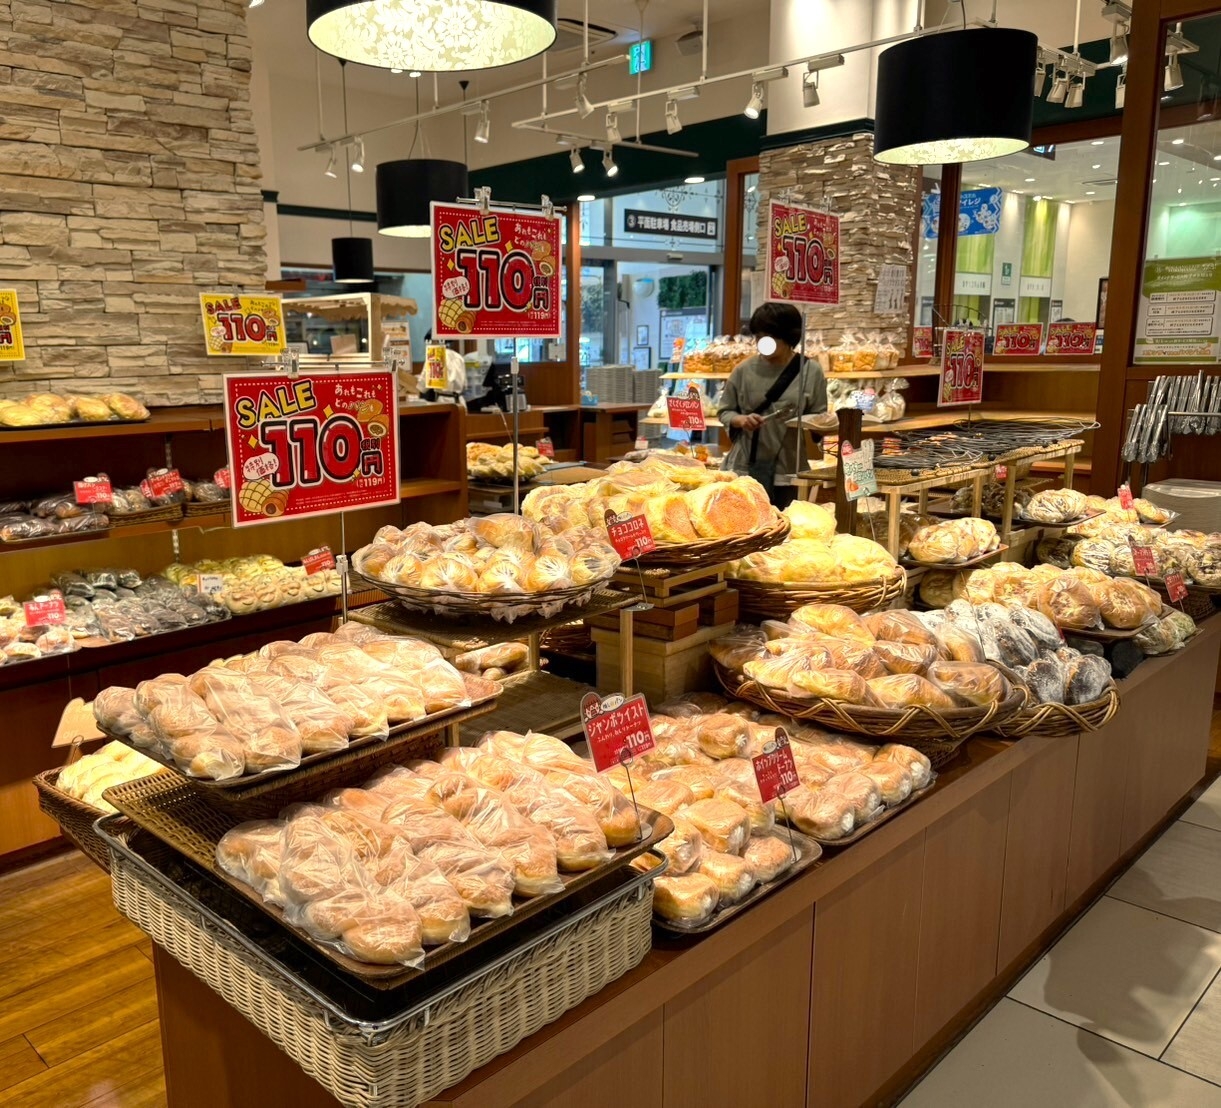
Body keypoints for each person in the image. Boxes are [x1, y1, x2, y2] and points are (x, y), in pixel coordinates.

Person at [717, 302, 828, 508]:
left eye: (768, 337)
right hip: (746, 466)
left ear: (788, 336)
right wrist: (741, 420)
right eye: (758, 337)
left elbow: (820, 417)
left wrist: (819, 425)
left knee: (787, 522)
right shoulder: (743, 370)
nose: (762, 343)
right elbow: (725, 411)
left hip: (790, 467)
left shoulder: (811, 371)